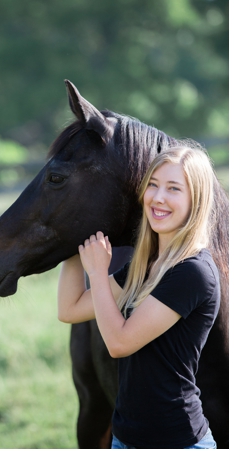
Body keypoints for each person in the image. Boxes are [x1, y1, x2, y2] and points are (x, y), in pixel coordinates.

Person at [57, 142, 219, 449]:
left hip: (177, 442)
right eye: (153, 186)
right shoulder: (146, 265)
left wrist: (97, 273)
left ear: (195, 200)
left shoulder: (192, 272)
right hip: (126, 440)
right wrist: (72, 245)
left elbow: (119, 343)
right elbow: (69, 309)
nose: (158, 198)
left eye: (173, 188)